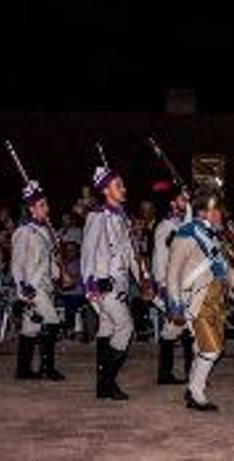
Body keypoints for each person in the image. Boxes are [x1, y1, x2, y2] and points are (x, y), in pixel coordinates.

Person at [166, 185, 234, 411]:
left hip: (216, 299)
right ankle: (196, 392)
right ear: (204, 211)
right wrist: (175, 305)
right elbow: (172, 273)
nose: (221, 214)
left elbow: (222, 264)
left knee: (204, 348)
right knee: (212, 349)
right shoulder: (186, 235)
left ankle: (194, 388)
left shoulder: (212, 235)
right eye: (217, 209)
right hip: (197, 301)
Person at [81, 165, 144, 400]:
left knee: (107, 329)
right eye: (119, 185)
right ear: (106, 190)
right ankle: (108, 381)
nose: (124, 188)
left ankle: (102, 385)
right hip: (102, 285)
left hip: (119, 284)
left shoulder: (122, 218)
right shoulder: (96, 217)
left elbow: (129, 254)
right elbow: (87, 252)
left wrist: (143, 279)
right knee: (125, 328)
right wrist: (90, 284)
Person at [11, 180, 65, 381]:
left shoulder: (45, 230)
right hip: (32, 287)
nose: (47, 208)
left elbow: (47, 259)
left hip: (45, 284)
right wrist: (23, 286)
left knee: (30, 328)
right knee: (52, 322)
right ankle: (47, 368)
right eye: (42, 205)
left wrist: (57, 274)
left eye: (46, 204)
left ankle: (22, 369)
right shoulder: (23, 232)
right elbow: (16, 263)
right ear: (31, 209)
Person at [152, 183, 192, 385]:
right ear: (172, 202)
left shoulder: (182, 225)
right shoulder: (165, 228)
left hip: (185, 284)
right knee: (177, 327)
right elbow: (161, 259)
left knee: (181, 328)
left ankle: (169, 373)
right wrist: (162, 285)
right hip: (171, 285)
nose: (186, 203)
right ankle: (167, 373)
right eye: (183, 199)